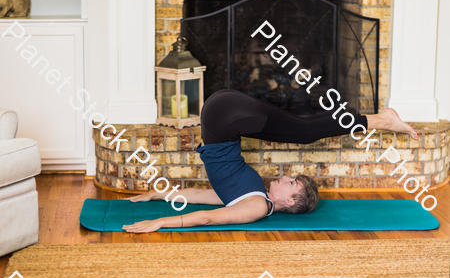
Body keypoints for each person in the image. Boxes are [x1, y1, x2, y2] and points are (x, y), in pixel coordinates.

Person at [121, 89, 419, 233]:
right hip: (223, 116)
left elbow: (206, 210)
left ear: (289, 202)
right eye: (291, 178)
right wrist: (157, 196)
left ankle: (382, 119)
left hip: (224, 114)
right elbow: (209, 200)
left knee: (303, 130)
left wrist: (160, 215)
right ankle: (380, 120)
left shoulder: (255, 206)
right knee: (303, 129)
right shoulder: (255, 196)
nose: (284, 177)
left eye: (290, 184)